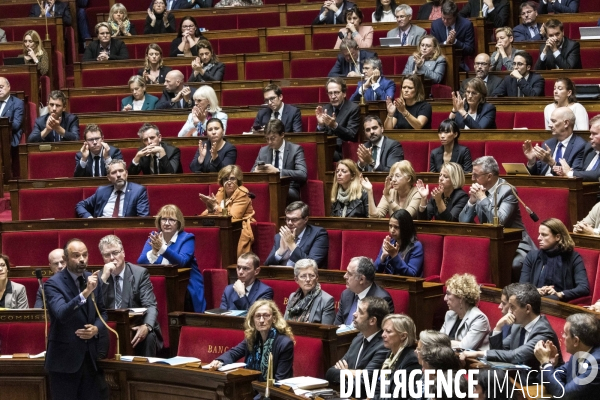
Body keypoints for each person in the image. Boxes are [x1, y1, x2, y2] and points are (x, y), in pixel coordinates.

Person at [44, 239, 109, 400]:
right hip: (64, 362)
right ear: (65, 259)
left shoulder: (92, 279)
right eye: (76, 256)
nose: (82, 259)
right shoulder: (53, 284)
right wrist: (85, 293)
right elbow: (61, 314)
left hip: (90, 360)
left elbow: (103, 313)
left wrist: (96, 328)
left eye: (85, 255)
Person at [461, 283, 563, 371]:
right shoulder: (517, 327)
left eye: (513, 307)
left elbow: (515, 355)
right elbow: (501, 352)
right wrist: (498, 328)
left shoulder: (543, 331)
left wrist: (477, 353)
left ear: (527, 308)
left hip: (538, 386)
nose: (509, 312)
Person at [459, 156, 536, 268]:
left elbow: (499, 222)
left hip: (514, 243)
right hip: (490, 242)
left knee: (515, 264)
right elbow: (463, 221)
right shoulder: (480, 190)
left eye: (476, 175)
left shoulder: (507, 190)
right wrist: (472, 201)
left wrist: (482, 198)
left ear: (489, 176)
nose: (472, 179)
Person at [99, 235, 163, 357]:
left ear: (123, 252)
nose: (112, 258)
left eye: (115, 253)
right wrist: (103, 280)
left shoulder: (139, 274)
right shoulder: (100, 277)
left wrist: (146, 326)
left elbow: (150, 305)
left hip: (134, 325)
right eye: (107, 255)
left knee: (149, 336)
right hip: (109, 327)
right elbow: (94, 307)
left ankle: (143, 375)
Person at [138, 204, 206, 312]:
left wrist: (162, 249)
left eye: (171, 220)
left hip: (184, 284)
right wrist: (154, 252)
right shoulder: (154, 236)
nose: (167, 223)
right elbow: (141, 262)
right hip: (160, 283)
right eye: (164, 219)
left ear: (179, 223)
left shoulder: (187, 238)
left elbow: (182, 262)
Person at [206, 300, 294, 381]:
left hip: (272, 393)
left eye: (266, 315)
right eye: (258, 316)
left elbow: (281, 380)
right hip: (251, 388)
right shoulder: (253, 338)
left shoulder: (284, 344)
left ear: (274, 318)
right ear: (253, 319)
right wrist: (220, 361)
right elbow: (233, 353)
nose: (261, 320)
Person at [326, 296, 390, 397]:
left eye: (360, 312)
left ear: (372, 321)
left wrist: (344, 372)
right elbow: (330, 373)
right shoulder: (358, 338)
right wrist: (350, 373)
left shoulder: (383, 346)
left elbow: (363, 385)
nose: (354, 314)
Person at [520, 218, 589, 302]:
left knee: (551, 298)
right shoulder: (532, 256)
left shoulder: (573, 257)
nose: (538, 238)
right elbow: (522, 286)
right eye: (539, 234)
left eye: (544, 235)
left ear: (557, 237)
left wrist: (560, 294)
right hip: (534, 300)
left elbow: (583, 287)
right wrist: (537, 291)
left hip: (560, 303)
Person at [535, 313, 600, 399]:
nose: (562, 337)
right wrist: (550, 363)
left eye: (565, 334)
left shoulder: (596, 364)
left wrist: (545, 362)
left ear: (576, 341)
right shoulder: (577, 355)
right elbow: (552, 382)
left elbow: (563, 394)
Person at [200, 165, 255, 255]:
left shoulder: (242, 192)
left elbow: (234, 217)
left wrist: (215, 207)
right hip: (223, 226)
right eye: (226, 179)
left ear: (238, 180)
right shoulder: (221, 191)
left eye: (232, 179)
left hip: (238, 228)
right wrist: (209, 211)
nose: (229, 182)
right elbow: (215, 208)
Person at [251, 119, 307, 203]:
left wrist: (277, 171)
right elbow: (252, 172)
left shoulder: (295, 149)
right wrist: (256, 172)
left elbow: (302, 174)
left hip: (288, 188)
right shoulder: (263, 151)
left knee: (275, 192)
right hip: (267, 186)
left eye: (273, 138)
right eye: (267, 139)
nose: (269, 142)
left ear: (282, 135)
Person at [264, 201, 329, 268]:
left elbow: (312, 265)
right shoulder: (280, 236)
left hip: (305, 277)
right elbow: (267, 266)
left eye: (294, 219)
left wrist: (291, 244)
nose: (289, 223)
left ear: (305, 219)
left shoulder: (318, 234)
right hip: (281, 276)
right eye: (287, 219)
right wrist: (280, 252)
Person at [523, 107, 586, 176]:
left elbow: (574, 175)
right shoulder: (548, 143)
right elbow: (537, 173)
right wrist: (532, 161)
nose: (549, 125)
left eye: (553, 121)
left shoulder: (580, 146)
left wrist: (552, 162)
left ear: (566, 123)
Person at [76, 159, 150, 218]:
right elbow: (80, 205)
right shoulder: (102, 191)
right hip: (103, 228)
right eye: (114, 172)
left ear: (126, 173)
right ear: (109, 178)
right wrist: (90, 218)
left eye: (121, 171)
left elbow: (143, 219)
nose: (118, 175)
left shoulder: (138, 191)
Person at [372, 314, 421, 400]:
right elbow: (378, 386)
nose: (383, 335)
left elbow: (399, 396)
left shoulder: (411, 360)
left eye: (388, 331)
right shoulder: (390, 355)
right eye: (383, 331)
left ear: (403, 336)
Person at [334, 256, 394, 325]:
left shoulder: (382, 300)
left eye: (349, 274)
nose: (345, 276)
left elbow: (380, 333)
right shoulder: (346, 294)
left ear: (362, 279)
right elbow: (337, 325)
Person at [440, 273, 491, 350]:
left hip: (470, 361)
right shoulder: (450, 314)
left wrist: (443, 343)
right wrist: (456, 343)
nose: (445, 298)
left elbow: (465, 347)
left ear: (461, 298)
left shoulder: (479, 318)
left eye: (448, 294)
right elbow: (438, 340)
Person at [316, 77, 361, 161]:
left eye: (336, 92)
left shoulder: (353, 108)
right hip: (327, 148)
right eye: (330, 93)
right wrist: (321, 125)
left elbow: (351, 135)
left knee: (322, 154)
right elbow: (320, 138)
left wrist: (335, 126)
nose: (333, 96)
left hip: (343, 150)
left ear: (344, 94)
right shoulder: (326, 109)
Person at [373, 209, 423, 276]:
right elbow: (373, 271)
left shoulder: (416, 246)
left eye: (396, 227)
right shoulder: (390, 243)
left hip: (405, 285)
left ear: (405, 228)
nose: (392, 230)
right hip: (387, 283)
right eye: (390, 226)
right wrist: (383, 257)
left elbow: (412, 274)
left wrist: (394, 256)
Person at [284, 259, 335, 324]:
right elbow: (284, 324)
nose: (308, 279)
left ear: (317, 278)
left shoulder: (327, 300)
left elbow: (326, 331)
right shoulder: (293, 296)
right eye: (303, 276)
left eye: (312, 276)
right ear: (296, 279)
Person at [430, 1, 475, 71]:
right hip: (438, 61)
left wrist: (455, 41)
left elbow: (470, 49)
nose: (445, 21)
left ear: (455, 16)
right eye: (443, 18)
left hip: (459, 62)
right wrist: (445, 43)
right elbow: (432, 48)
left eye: (449, 19)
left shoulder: (466, 25)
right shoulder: (436, 25)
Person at [556, 115, 600, 181]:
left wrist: (569, 173)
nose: (590, 137)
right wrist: (564, 171)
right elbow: (579, 169)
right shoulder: (589, 148)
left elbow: (597, 175)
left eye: (594, 134)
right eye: (590, 133)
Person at [0, 77, 25, 148]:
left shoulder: (17, 103)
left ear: (9, 87)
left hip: (9, 137)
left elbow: (16, 125)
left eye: (1, 87)